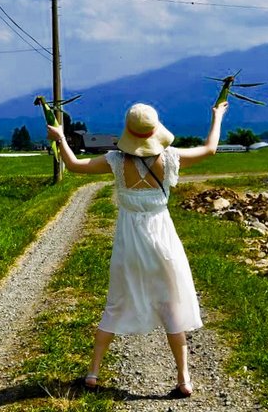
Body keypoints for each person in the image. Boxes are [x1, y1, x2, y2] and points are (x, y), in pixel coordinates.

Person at [46, 101, 228, 397]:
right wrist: (217, 117)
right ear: (155, 131)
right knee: (171, 306)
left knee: (116, 302)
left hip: (130, 241)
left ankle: (93, 374)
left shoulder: (116, 161)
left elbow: (75, 166)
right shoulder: (170, 158)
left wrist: (61, 138)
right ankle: (184, 379)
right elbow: (210, 149)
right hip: (163, 239)